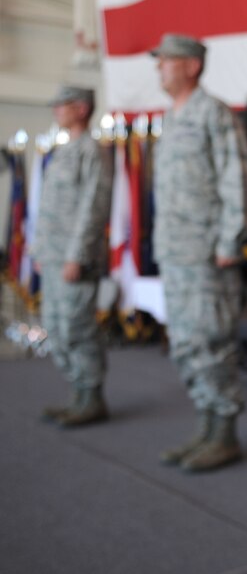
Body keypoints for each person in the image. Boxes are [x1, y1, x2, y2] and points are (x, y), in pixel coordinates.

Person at [150, 34, 247, 472]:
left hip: (209, 255)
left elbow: (238, 178)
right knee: (186, 344)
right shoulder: (172, 119)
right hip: (175, 253)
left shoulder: (213, 114)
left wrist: (230, 240)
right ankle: (206, 425)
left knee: (212, 343)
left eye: (166, 61)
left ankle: (225, 433)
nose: (159, 68)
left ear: (191, 66)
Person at [35, 85, 112, 427]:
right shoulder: (63, 151)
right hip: (52, 257)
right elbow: (48, 209)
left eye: (62, 105)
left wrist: (76, 255)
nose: (56, 111)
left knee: (77, 327)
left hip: (73, 259)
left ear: (81, 109)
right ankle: (77, 393)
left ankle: (92, 397)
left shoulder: (91, 151)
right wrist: (40, 251)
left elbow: (93, 208)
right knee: (55, 326)